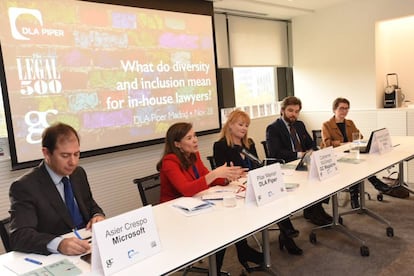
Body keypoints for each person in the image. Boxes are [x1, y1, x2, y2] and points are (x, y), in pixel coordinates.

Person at [157, 122, 245, 272]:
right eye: (189, 138)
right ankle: (224, 265)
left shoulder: (194, 155)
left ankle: (218, 267)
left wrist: (227, 177)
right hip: (175, 216)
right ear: (177, 144)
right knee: (220, 228)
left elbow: (205, 177)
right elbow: (186, 189)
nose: (195, 140)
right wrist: (215, 173)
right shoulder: (169, 162)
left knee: (226, 223)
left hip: (196, 206)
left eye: (195, 136)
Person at [214, 110, 302, 260]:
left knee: (275, 193)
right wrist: (233, 175)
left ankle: (286, 234)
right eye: (240, 124)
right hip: (234, 189)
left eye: (246, 125)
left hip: (253, 183)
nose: (244, 128)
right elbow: (222, 173)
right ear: (230, 125)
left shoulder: (249, 143)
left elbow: (257, 165)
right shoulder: (220, 146)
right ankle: (249, 248)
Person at [9, 122, 105, 255]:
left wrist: (97, 215)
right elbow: (20, 236)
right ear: (46, 153)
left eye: (76, 154)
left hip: (87, 245)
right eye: (65, 156)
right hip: (58, 255)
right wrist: (58, 244)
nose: (73, 162)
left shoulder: (78, 173)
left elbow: (90, 204)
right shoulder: (25, 186)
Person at [266, 96, 332, 226]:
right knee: (313, 178)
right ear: (282, 110)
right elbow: (275, 153)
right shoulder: (273, 128)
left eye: (296, 111)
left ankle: (314, 209)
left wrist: (313, 150)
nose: (293, 114)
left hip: (303, 163)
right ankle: (314, 210)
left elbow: (310, 143)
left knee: (323, 174)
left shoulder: (299, 125)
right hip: (286, 166)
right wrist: (299, 154)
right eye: (290, 110)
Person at [321, 97, 391, 208]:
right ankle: (369, 187)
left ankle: (357, 196)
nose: (344, 111)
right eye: (342, 108)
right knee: (357, 166)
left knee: (363, 161)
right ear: (334, 109)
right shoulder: (327, 124)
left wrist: (354, 141)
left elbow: (359, 136)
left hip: (351, 152)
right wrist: (343, 144)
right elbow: (327, 143)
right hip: (336, 156)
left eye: (347, 108)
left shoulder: (350, 122)